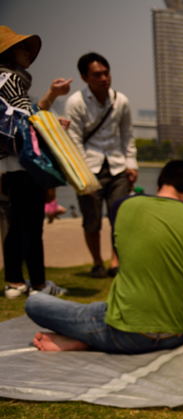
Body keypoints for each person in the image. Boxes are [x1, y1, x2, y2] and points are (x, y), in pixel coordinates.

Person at [25, 160, 183, 353]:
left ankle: (86, 340)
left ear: (161, 183)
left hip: (125, 332)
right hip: (175, 333)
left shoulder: (121, 207)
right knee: (99, 309)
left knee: (35, 303)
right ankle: (91, 338)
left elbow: (144, 251)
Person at [0, 25, 72, 299]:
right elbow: (27, 120)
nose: (29, 54)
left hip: (10, 164)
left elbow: (25, 115)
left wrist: (49, 107)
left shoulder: (4, 80)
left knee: (18, 223)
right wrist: (53, 124)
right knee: (30, 224)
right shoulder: (11, 79)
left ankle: (16, 282)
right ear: (9, 52)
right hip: (24, 163)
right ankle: (35, 283)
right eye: (23, 48)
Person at [65, 52, 137, 278]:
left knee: (120, 218)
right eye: (97, 74)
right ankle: (97, 262)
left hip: (117, 167)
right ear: (85, 77)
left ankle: (115, 261)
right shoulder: (76, 102)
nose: (104, 78)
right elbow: (73, 139)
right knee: (92, 220)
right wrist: (81, 172)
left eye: (106, 73)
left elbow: (127, 135)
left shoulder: (120, 100)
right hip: (88, 168)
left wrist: (131, 164)